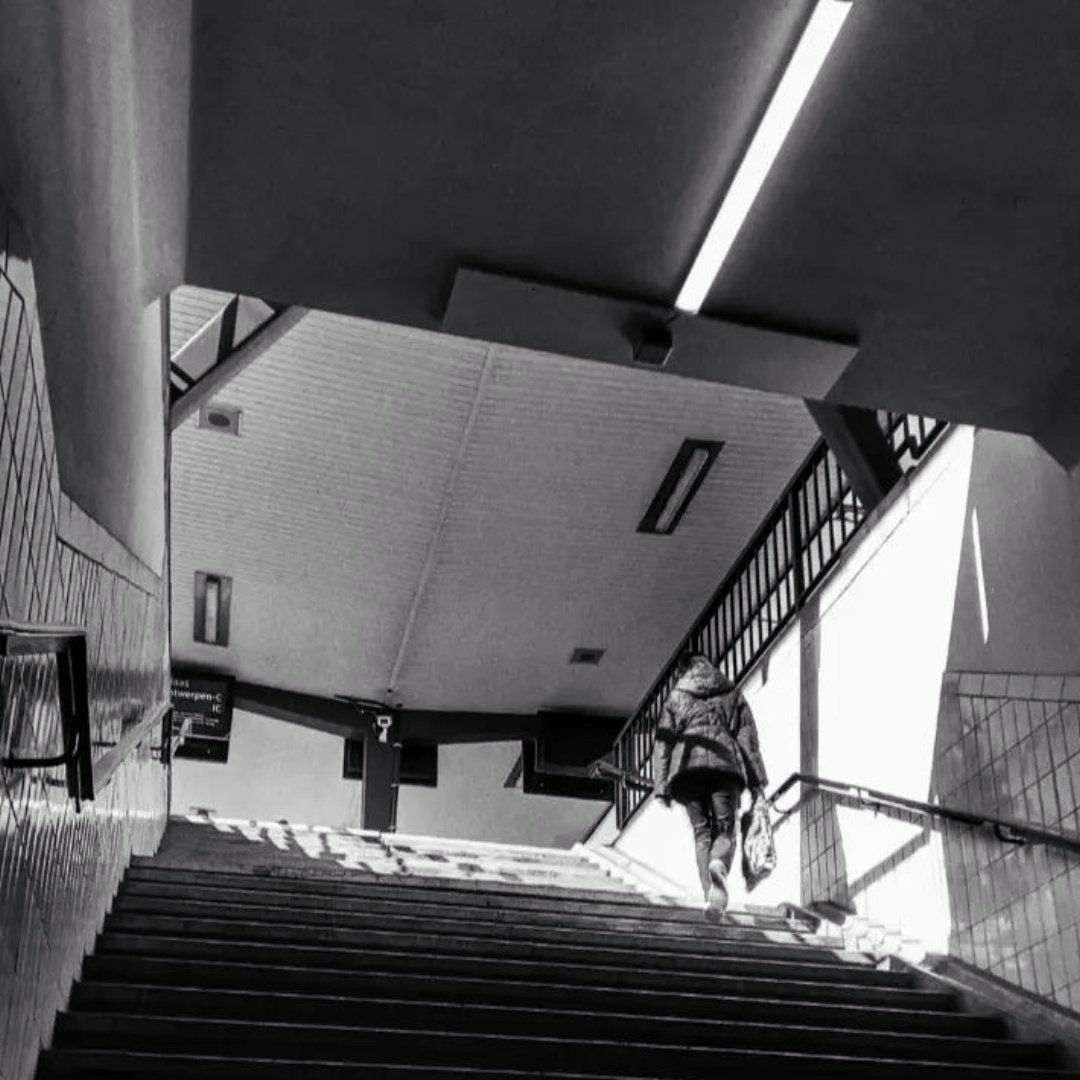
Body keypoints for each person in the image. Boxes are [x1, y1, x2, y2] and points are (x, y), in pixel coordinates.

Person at [652, 653, 768, 919]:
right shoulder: (730, 692)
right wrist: (757, 782)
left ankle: (710, 897)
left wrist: (661, 787)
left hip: (687, 771)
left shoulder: (676, 696)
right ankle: (719, 863)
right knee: (726, 828)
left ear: (684, 672)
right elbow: (746, 737)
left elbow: (663, 742)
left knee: (701, 832)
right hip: (724, 768)